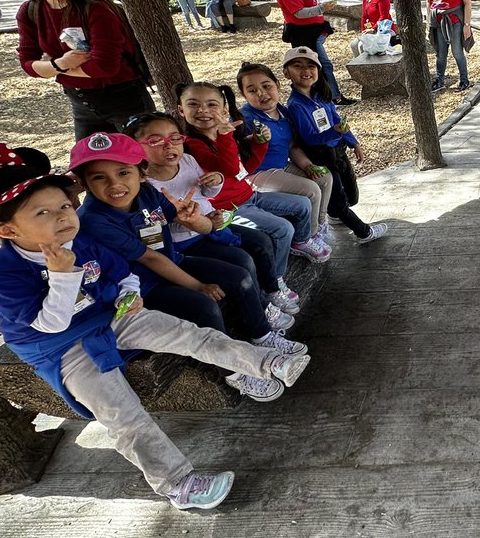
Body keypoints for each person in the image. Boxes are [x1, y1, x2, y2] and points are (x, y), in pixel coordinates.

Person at [0, 143, 310, 510]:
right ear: (8, 230)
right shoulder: (0, 277)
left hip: (110, 314)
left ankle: (266, 363)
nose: (63, 217)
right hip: (62, 347)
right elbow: (50, 324)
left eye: (65, 206)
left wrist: (129, 294)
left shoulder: (79, 240)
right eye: (42, 212)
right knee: (122, 413)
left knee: (190, 334)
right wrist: (62, 276)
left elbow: (121, 273)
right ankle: (178, 484)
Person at [73, 131, 296, 350]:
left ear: (142, 173)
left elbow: (196, 224)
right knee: (205, 307)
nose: (114, 184)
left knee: (240, 276)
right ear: (84, 183)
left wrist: (198, 220)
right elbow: (149, 258)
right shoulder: (94, 219)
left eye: (123, 173)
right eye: (99, 177)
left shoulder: (146, 192)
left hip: (171, 260)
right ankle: (228, 363)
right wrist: (197, 285)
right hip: (139, 284)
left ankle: (262, 334)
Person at [125, 112, 302, 326]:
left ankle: (272, 290)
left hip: (214, 225)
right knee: (242, 260)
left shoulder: (187, 160)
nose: (169, 145)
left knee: (261, 241)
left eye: (175, 138)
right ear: (135, 147)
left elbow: (208, 193)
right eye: (155, 141)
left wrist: (216, 181)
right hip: (187, 241)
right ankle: (262, 308)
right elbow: (159, 229)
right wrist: (199, 220)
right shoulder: (145, 185)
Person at [11, 0, 155, 139]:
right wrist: (62, 63)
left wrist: (51, 68)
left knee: (143, 157)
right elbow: (27, 64)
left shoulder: (95, 8)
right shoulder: (29, 11)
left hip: (125, 102)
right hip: (81, 105)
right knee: (86, 160)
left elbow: (104, 66)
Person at [177, 81, 327, 267]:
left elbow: (245, 169)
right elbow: (230, 169)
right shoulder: (192, 145)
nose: (203, 110)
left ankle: (301, 242)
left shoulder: (223, 137)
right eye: (193, 104)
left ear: (224, 110)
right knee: (283, 228)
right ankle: (277, 276)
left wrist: (259, 142)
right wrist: (225, 137)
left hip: (249, 195)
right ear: (181, 110)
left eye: (211, 104)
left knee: (303, 204)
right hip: (228, 209)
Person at [282, 46, 387, 245]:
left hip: (337, 151)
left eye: (311, 66)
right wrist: (335, 132)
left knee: (351, 194)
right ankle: (363, 232)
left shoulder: (321, 95)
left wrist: (353, 142)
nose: (306, 70)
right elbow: (309, 138)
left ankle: (335, 213)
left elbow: (338, 120)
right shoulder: (296, 105)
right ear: (286, 73)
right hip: (320, 155)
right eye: (298, 66)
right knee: (339, 198)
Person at [237, 61, 333, 247]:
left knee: (324, 177)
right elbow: (235, 148)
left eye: (266, 86)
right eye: (252, 90)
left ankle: (321, 224)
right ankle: (307, 238)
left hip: (282, 166)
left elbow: (292, 146)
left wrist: (307, 166)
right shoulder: (244, 118)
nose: (261, 93)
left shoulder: (283, 112)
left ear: (277, 85)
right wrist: (252, 139)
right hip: (258, 173)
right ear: (244, 95)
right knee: (311, 190)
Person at [275, 0, 356, 105]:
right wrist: (321, 8)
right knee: (321, 65)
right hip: (304, 34)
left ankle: (328, 96)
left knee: (319, 65)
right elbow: (299, 13)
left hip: (312, 32)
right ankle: (332, 96)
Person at [424, 0, 473, 92]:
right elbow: (428, 2)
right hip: (438, 22)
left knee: (457, 52)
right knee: (440, 53)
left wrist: (466, 25)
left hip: (455, 21)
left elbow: (467, 3)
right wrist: (429, 23)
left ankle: (464, 80)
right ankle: (439, 80)